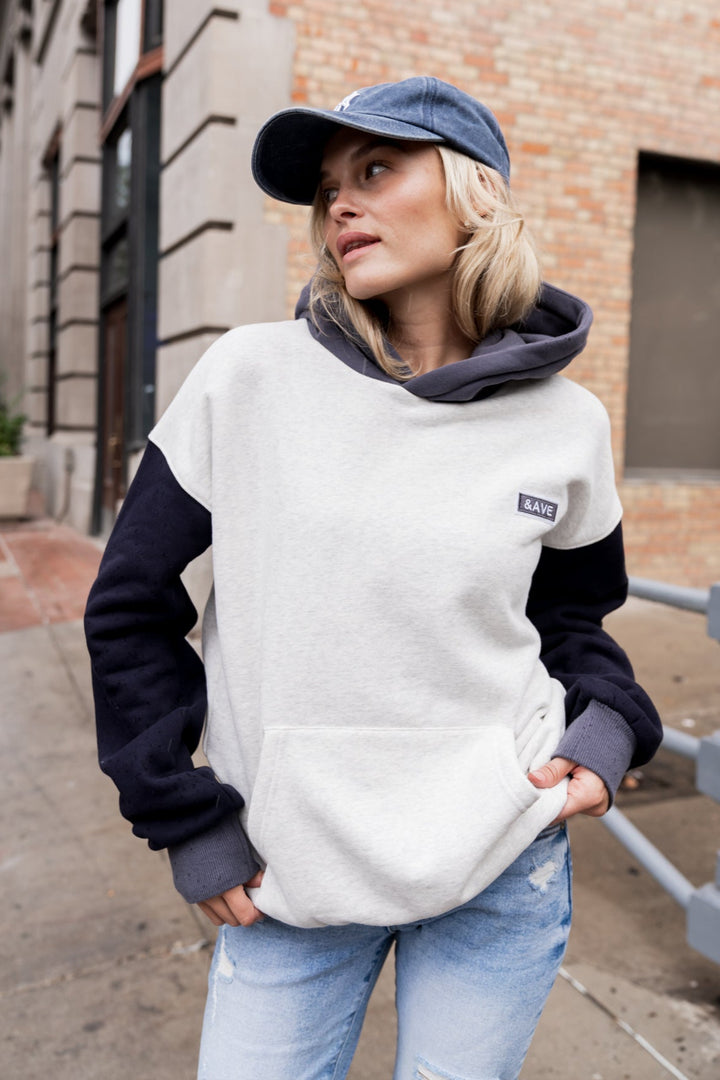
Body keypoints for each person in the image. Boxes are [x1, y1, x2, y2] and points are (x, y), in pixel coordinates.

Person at [85, 76, 662, 1080]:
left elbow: (577, 622)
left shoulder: (568, 424)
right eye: (327, 189)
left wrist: (605, 730)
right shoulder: (245, 378)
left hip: (504, 860)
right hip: (286, 875)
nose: (339, 204)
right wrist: (185, 814)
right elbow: (130, 609)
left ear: (475, 192)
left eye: (376, 169)